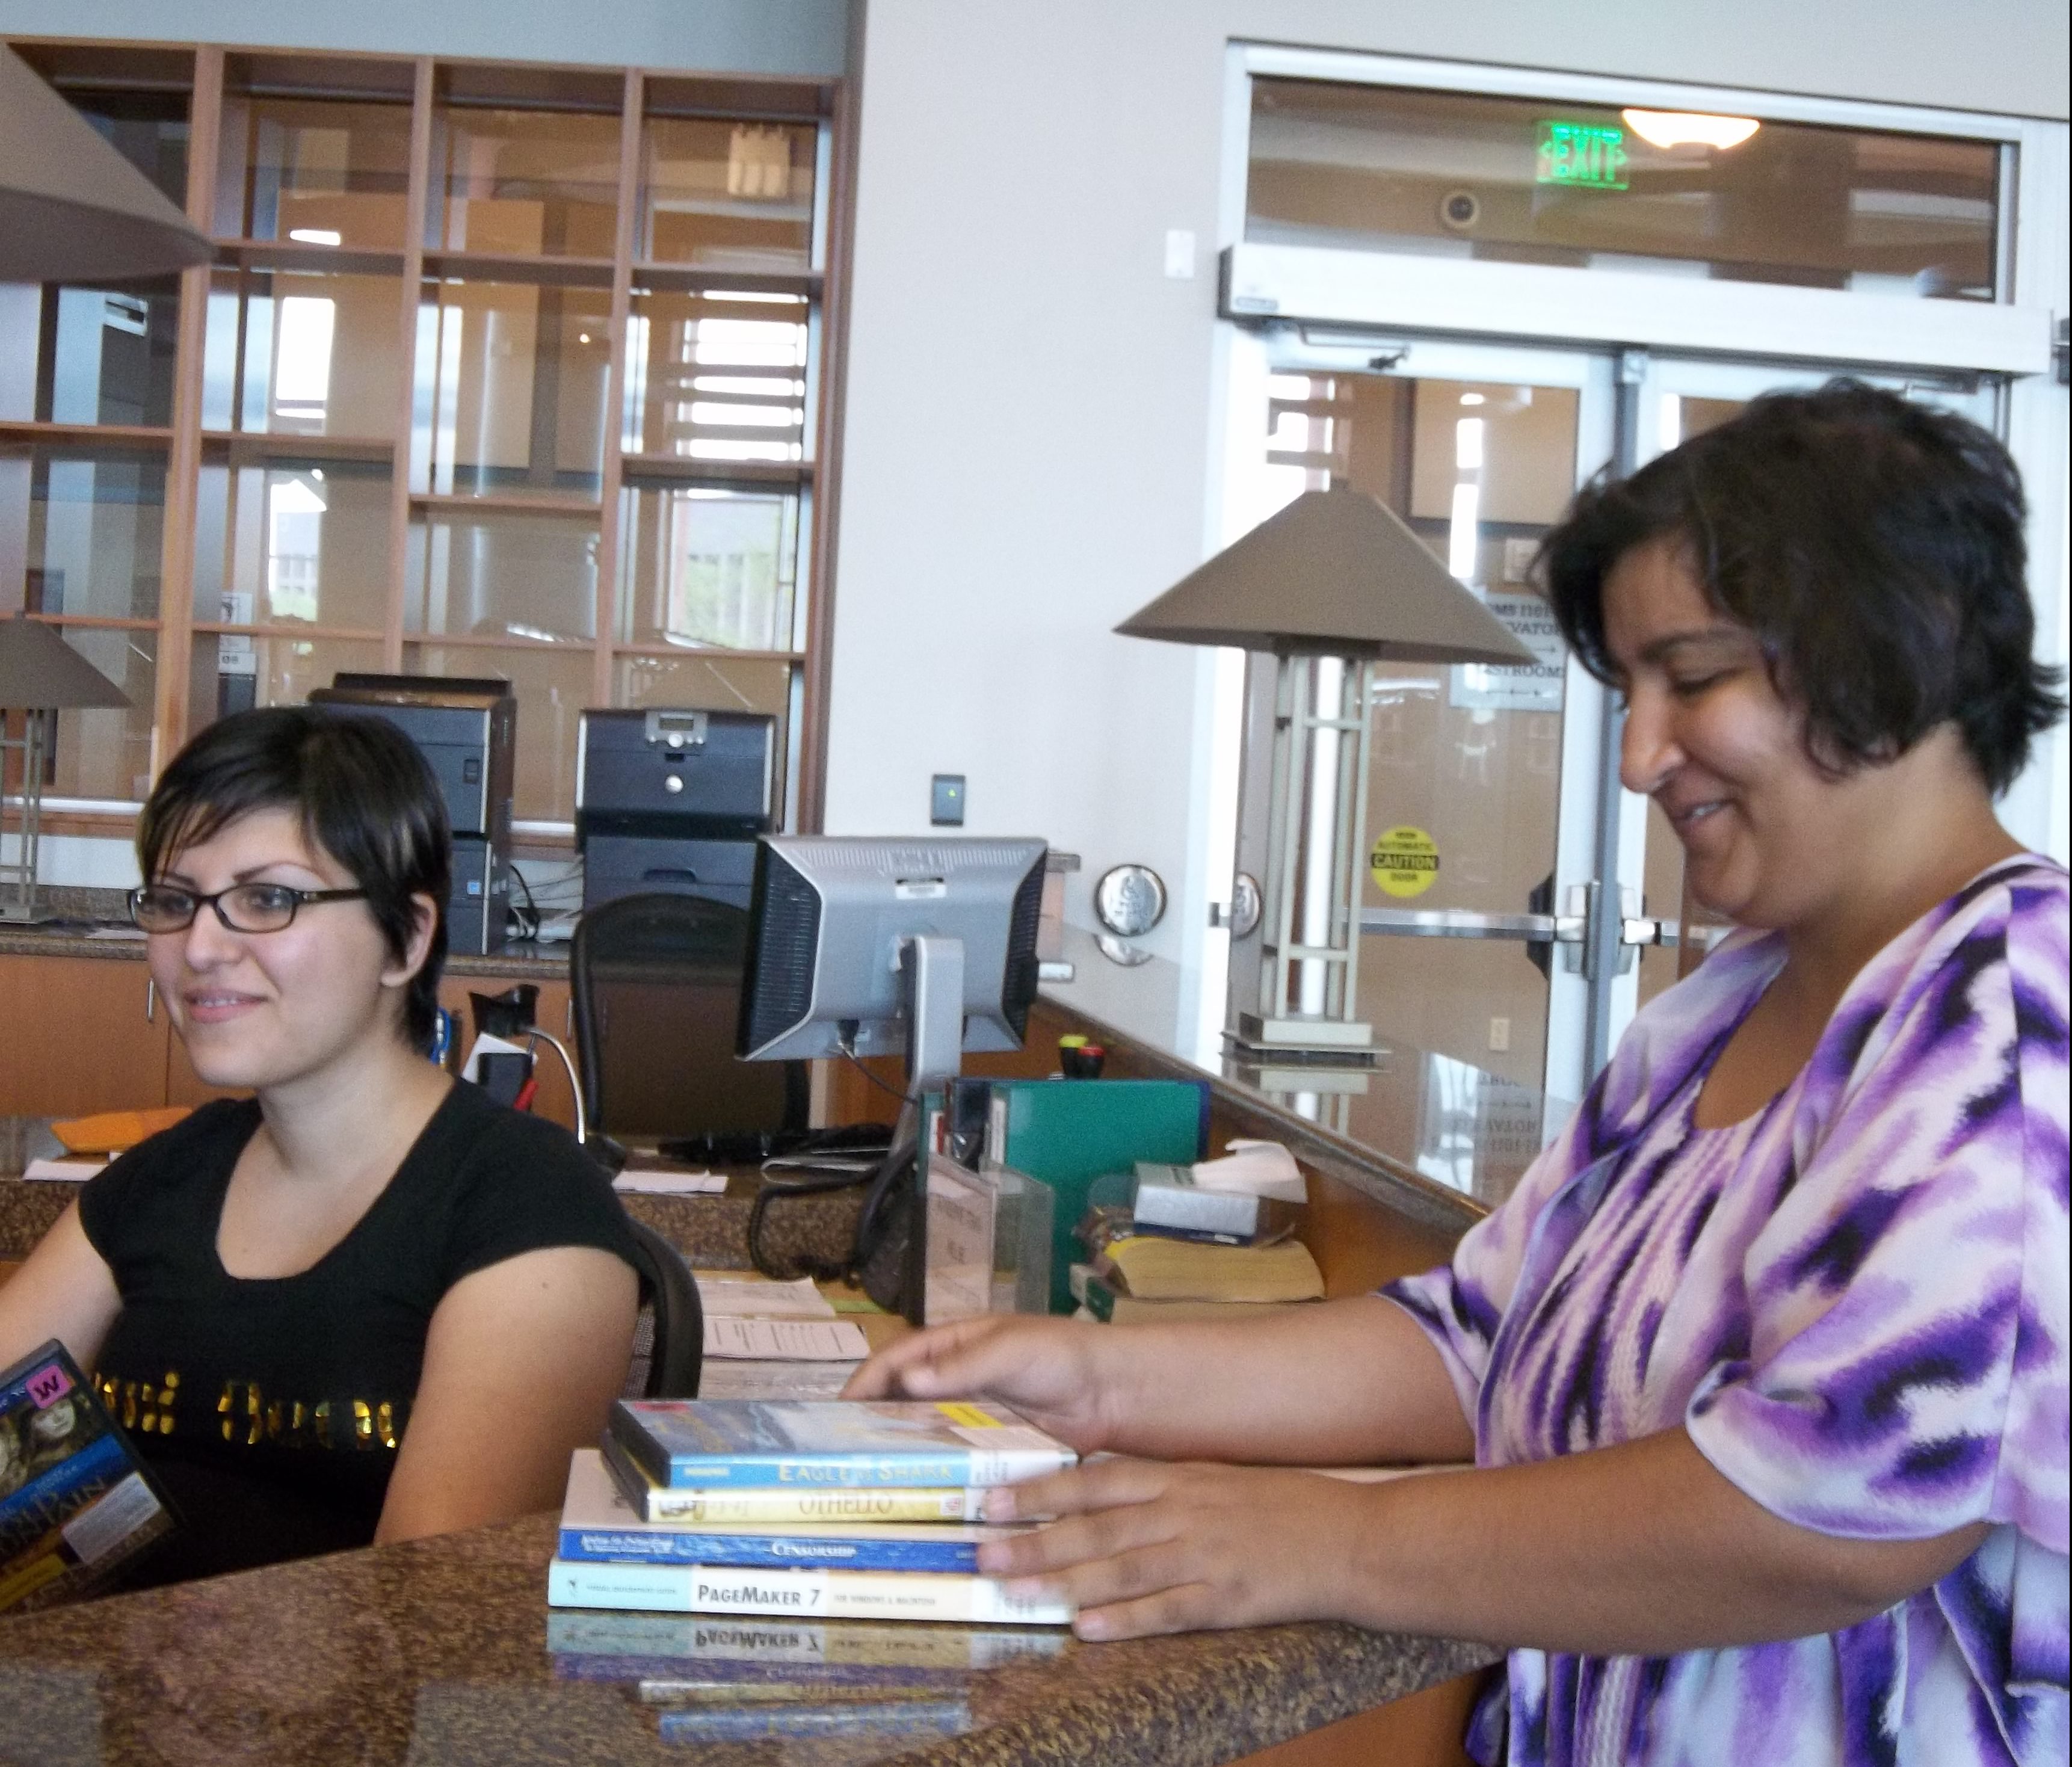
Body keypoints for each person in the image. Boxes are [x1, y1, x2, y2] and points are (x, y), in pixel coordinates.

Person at [848, 382, 2067, 1765]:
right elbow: (1480, 1334)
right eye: (1631, 689)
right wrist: (1101, 1380)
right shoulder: (1721, 1011)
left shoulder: (2013, 1011)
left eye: (1697, 676)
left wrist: (1345, 1539)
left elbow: (1839, 1505)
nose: (1639, 757)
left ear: (1894, 654)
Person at [0, 707, 641, 1588]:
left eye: (268, 898)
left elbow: (422, 1607)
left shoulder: (526, 1205)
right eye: (175, 900)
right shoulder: (165, 1177)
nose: (202, 947)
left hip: (359, 1720)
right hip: (117, 1706)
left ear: (406, 939)